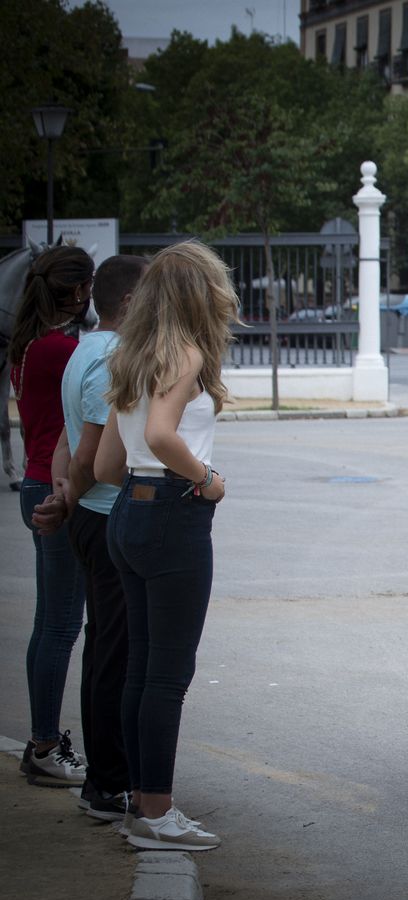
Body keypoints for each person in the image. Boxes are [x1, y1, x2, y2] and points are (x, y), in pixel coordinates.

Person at [94, 241, 231, 852]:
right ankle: (157, 810)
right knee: (168, 676)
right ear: (199, 296)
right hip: (173, 517)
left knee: (141, 672)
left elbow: (106, 463)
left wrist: (152, 477)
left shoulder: (130, 356)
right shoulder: (186, 354)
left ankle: (138, 802)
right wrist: (206, 480)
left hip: (129, 512)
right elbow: (158, 434)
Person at [38, 255, 148, 822]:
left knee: (105, 646)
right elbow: (90, 454)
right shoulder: (112, 358)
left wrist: (62, 496)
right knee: (116, 655)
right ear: (129, 304)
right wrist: (69, 497)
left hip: (89, 512)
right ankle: (108, 783)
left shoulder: (83, 348)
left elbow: (64, 435)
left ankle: (106, 779)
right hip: (105, 514)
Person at [11, 245, 92, 787]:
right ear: (82, 291)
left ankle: (40, 739)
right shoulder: (62, 349)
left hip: (36, 481)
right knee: (61, 627)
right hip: (56, 491)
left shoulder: (29, 345)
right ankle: (43, 745)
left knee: (49, 625)